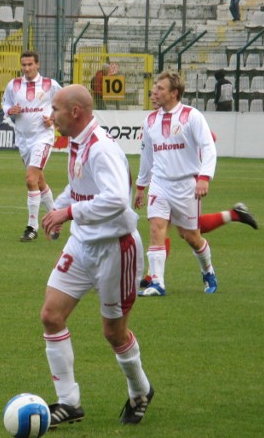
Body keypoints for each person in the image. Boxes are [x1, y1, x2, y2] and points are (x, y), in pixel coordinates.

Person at [40, 84, 153, 428]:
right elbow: (77, 187)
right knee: (50, 316)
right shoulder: (77, 143)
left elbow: (117, 199)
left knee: (113, 333)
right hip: (82, 244)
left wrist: (69, 212)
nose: (51, 115)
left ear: (75, 112)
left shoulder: (102, 148)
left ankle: (140, 390)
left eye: (56, 109)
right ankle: (69, 402)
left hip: (115, 249)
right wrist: (59, 209)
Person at [134, 71, 218, 297]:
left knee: (190, 237)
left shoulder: (192, 116)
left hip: (186, 185)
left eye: (160, 88)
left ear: (174, 93)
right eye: (155, 87)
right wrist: (141, 186)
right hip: (160, 184)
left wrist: (204, 177)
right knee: (156, 228)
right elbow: (147, 156)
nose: (155, 91)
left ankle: (207, 270)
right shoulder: (150, 120)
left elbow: (209, 147)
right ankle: (158, 283)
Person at [2, 51, 62, 242]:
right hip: (23, 139)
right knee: (39, 181)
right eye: (24, 65)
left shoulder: (50, 84)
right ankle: (55, 217)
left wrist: (53, 119)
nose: (26, 68)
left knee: (30, 179)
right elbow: (5, 104)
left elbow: (63, 104)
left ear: (38, 65)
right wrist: (10, 110)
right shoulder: (14, 85)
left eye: (30, 65)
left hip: (42, 138)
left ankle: (32, 227)